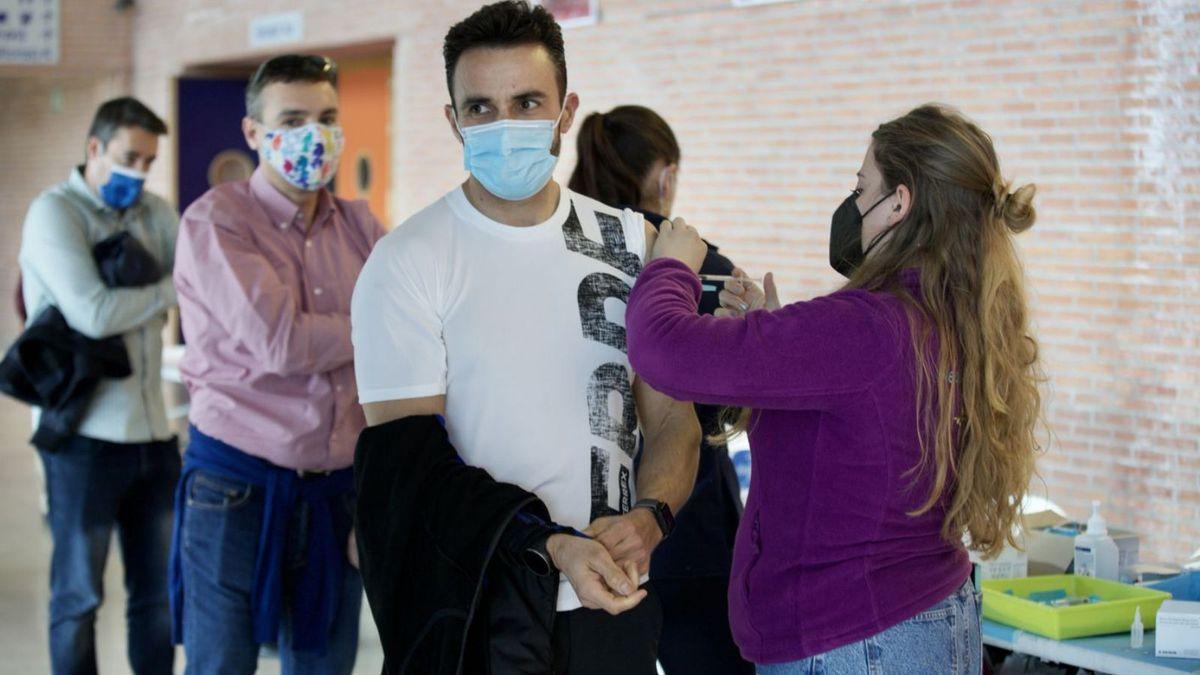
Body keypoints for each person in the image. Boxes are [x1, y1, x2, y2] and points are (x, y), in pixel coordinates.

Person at [625, 104, 1042, 674]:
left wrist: (670, 267)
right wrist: (767, 341)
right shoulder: (950, 319)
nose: (852, 206)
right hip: (914, 624)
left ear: (900, 201)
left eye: (861, 186)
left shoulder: (866, 325)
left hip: (857, 642)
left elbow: (663, 349)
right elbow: (856, 447)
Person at [350, 3, 701, 673]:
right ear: (452, 119)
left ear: (565, 111)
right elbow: (407, 473)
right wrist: (547, 544)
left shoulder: (630, 244)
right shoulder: (408, 261)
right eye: (480, 107)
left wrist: (652, 514)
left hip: (616, 606)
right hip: (486, 603)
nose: (504, 124)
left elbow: (670, 419)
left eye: (527, 101)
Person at [170, 54, 387, 674]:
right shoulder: (218, 222)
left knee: (325, 664)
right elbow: (282, 345)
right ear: (253, 132)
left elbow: (418, 333)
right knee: (221, 664)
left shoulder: (361, 227)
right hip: (236, 488)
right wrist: (374, 330)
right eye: (292, 119)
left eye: (325, 118)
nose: (312, 137)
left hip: (337, 495)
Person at [567, 105, 753, 675]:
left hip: (587, 531)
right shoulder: (698, 265)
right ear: (665, 175)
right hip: (691, 529)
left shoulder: (567, 252)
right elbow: (734, 404)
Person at [18, 96, 179, 675]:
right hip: (84, 439)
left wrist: (154, 296)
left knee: (158, 596)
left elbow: (195, 283)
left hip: (154, 436)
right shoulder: (54, 213)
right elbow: (92, 312)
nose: (138, 172)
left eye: (148, 160)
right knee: (79, 596)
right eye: (128, 157)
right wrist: (168, 290)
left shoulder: (156, 214)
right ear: (94, 149)